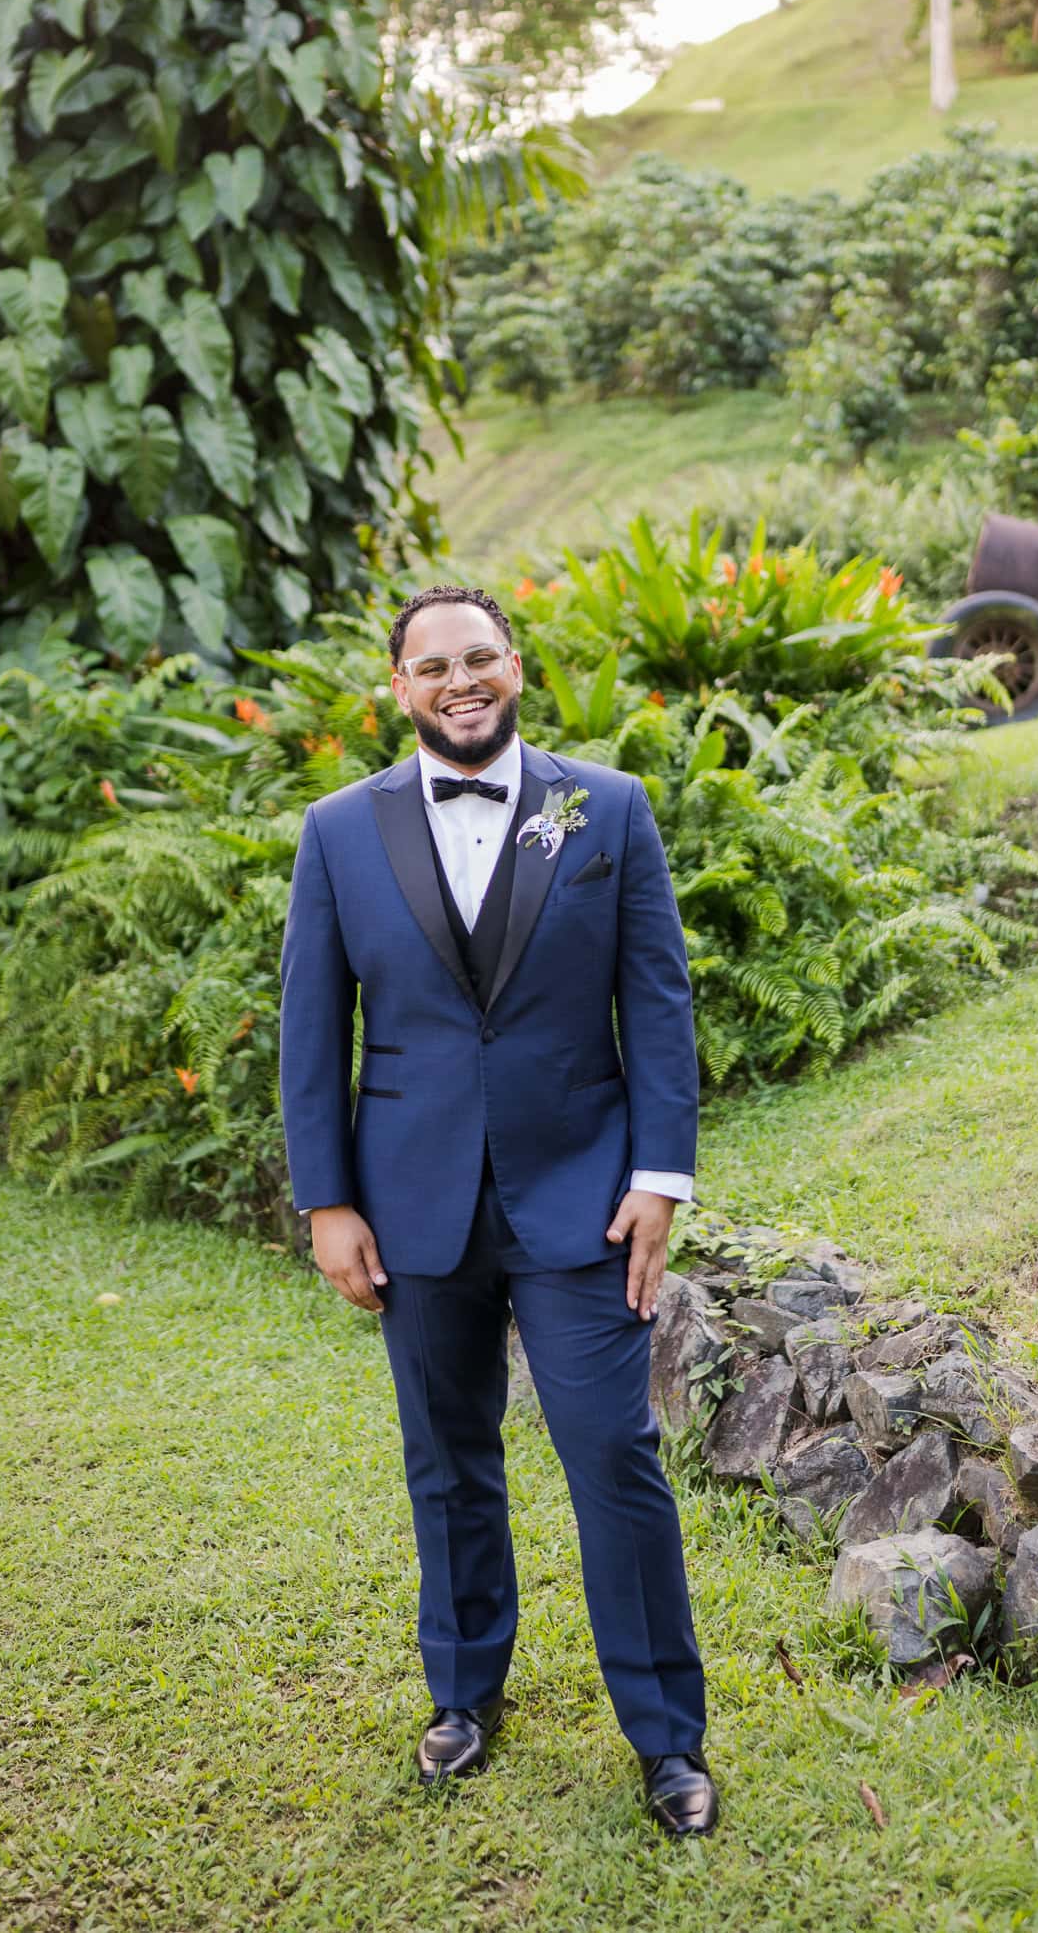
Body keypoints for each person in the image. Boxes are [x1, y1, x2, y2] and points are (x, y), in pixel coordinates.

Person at [278, 584, 718, 1839]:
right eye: (434, 666)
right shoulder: (337, 832)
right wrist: (328, 1202)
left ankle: (668, 1741)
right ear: (401, 687)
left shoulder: (605, 808)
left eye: (480, 659)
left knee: (614, 1461)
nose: (460, 682)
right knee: (450, 1461)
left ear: (514, 667)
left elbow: (661, 1003)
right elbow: (317, 1034)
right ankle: (465, 1694)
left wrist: (658, 1177)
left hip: (582, 1197)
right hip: (411, 1205)